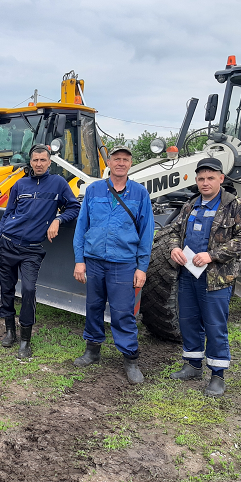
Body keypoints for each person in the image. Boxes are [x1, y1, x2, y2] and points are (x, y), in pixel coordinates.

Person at [166, 157, 241, 397]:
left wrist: (212, 255)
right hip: (188, 275)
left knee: (215, 325)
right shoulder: (191, 205)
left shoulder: (235, 206)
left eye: (210, 178)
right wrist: (174, 247)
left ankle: (217, 375)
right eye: (201, 178)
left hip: (216, 278)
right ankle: (192, 365)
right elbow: (173, 231)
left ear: (221, 179)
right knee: (189, 321)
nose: (205, 182)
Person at [72, 145, 155, 384]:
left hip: (124, 263)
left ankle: (130, 359)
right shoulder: (94, 190)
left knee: (122, 312)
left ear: (130, 164)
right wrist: (80, 261)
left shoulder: (140, 194)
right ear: (108, 162)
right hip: (95, 261)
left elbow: (147, 233)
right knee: (94, 307)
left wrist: (142, 267)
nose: (120, 163)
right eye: (116, 159)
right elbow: (81, 228)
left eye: (125, 159)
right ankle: (92, 350)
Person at [0, 144, 81, 359]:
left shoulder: (58, 183)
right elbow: (7, 215)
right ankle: (10, 331)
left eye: (43, 160)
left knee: (29, 290)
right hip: (7, 244)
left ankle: (25, 340)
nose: (39, 164)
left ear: (49, 162)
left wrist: (58, 219)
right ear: (30, 162)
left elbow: (74, 207)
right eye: (35, 160)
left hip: (31, 249)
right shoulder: (19, 184)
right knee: (6, 290)